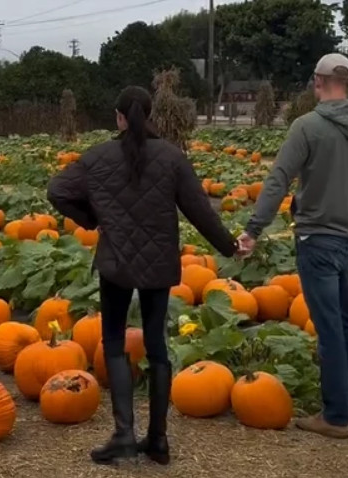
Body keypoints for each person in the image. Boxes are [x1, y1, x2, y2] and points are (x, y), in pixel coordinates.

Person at [47, 86, 238, 466]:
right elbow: (200, 210)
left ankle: (123, 434)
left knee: (114, 342)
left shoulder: (98, 156)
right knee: (156, 346)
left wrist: (92, 218)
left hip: (116, 262)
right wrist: (229, 246)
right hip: (158, 263)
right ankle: (158, 440)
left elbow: (57, 190)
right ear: (149, 115)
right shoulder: (171, 156)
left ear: (119, 117)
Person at [238, 53, 348, 438]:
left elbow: (278, 179)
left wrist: (254, 228)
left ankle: (336, 417)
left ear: (317, 81)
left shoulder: (307, 126)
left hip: (317, 239)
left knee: (329, 328)